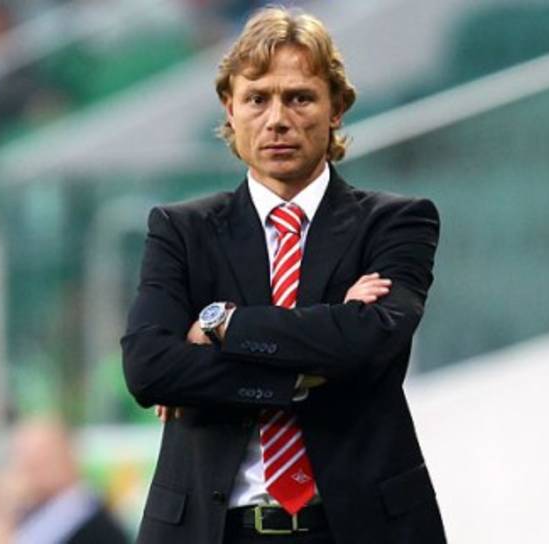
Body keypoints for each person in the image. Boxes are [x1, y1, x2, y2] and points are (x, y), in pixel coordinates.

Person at [122, 6, 446, 543]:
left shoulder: (397, 221)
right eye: (257, 99)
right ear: (230, 108)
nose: (277, 119)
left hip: (356, 528)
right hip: (214, 531)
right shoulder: (181, 229)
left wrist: (222, 326)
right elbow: (149, 368)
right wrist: (300, 371)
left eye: (299, 98)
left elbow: (367, 343)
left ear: (336, 108)